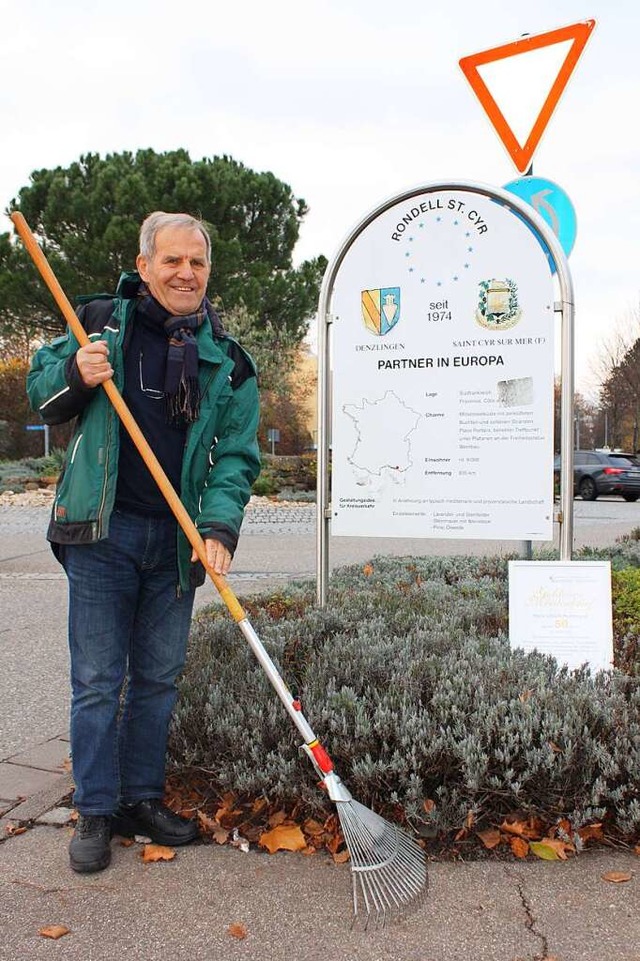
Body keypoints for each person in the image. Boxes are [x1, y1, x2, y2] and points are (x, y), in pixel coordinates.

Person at [27, 211, 261, 873]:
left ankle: (140, 798)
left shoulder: (227, 357)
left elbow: (236, 458)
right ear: (145, 261)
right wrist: (75, 372)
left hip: (177, 538)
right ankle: (96, 810)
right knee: (99, 680)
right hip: (102, 530)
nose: (186, 273)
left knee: (157, 680)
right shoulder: (99, 321)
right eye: (173, 261)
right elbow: (40, 396)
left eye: (197, 263)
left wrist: (217, 527)